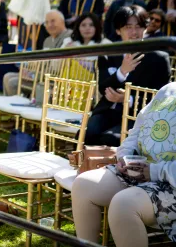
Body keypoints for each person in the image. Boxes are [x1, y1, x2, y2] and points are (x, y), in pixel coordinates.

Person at [72, 82, 176, 247]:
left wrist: (155, 171)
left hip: (170, 183)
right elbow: (137, 130)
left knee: (124, 204)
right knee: (83, 185)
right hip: (142, 171)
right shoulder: (168, 89)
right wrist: (124, 157)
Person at [85, 6, 170, 147]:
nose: (134, 32)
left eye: (138, 27)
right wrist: (121, 72)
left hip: (137, 115)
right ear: (118, 30)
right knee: (88, 132)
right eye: (128, 27)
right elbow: (102, 88)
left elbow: (161, 98)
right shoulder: (108, 54)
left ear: (145, 28)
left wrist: (128, 99)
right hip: (108, 110)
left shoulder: (159, 58)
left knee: (110, 139)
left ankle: (116, 168)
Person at [2, 10, 71, 96]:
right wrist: (30, 70)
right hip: (41, 75)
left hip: (53, 79)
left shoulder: (69, 37)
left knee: (13, 83)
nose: (49, 25)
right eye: (46, 22)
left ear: (62, 21)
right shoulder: (47, 40)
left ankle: (15, 107)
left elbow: (57, 66)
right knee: (7, 76)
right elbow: (42, 61)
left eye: (53, 21)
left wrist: (34, 73)